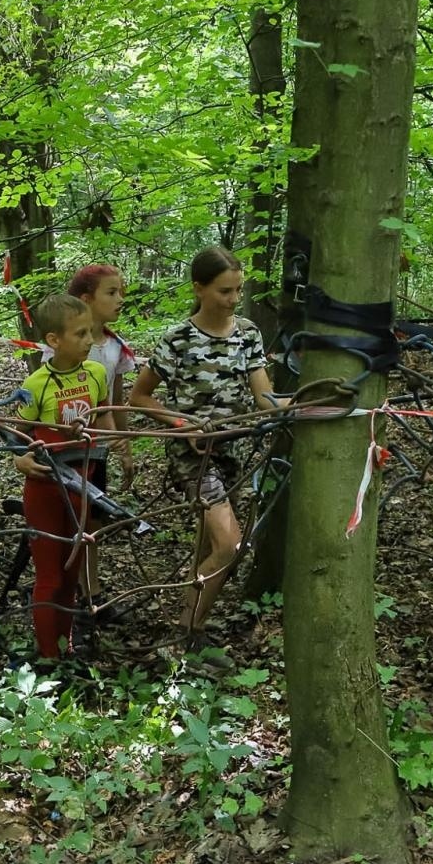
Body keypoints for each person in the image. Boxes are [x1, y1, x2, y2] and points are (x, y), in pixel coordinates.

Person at [128, 246, 283, 664]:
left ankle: (190, 632)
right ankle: (185, 636)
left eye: (238, 291)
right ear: (199, 288)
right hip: (192, 454)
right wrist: (182, 423)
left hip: (233, 449)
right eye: (223, 291)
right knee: (229, 543)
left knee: (210, 545)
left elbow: (262, 392)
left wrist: (296, 407)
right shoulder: (178, 338)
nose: (233, 299)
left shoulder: (248, 333)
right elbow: (140, 396)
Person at [14, 294, 115, 660]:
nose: (89, 340)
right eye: (79, 334)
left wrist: (110, 441)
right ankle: (48, 658)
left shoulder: (97, 374)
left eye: (90, 331)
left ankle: (67, 646)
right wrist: (21, 459)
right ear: (54, 340)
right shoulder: (36, 383)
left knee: (73, 575)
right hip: (44, 489)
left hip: (82, 486)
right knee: (50, 576)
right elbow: (18, 434)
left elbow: (105, 418)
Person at [38, 265, 134, 618]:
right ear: (86, 299)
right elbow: (43, 400)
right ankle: (65, 592)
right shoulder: (60, 349)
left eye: (120, 291)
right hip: (64, 452)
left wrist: (123, 445)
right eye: (111, 292)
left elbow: (112, 402)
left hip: (98, 449)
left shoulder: (114, 348)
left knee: (92, 521)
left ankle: (90, 592)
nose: (120, 299)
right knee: (69, 521)